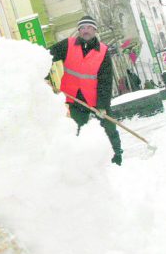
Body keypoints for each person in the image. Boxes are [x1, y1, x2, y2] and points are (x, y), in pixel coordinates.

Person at [49, 15, 123, 165]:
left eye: (89, 27)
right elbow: (46, 56)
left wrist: (102, 105)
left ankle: (116, 156)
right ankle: (81, 163)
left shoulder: (103, 51)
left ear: (95, 30)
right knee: (77, 130)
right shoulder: (68, 44)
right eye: (82, 28)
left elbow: (105, 80)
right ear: (78, 30)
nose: (85, 31)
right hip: (74, 97)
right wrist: (43, 76)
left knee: (109, 128)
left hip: (96, 97)